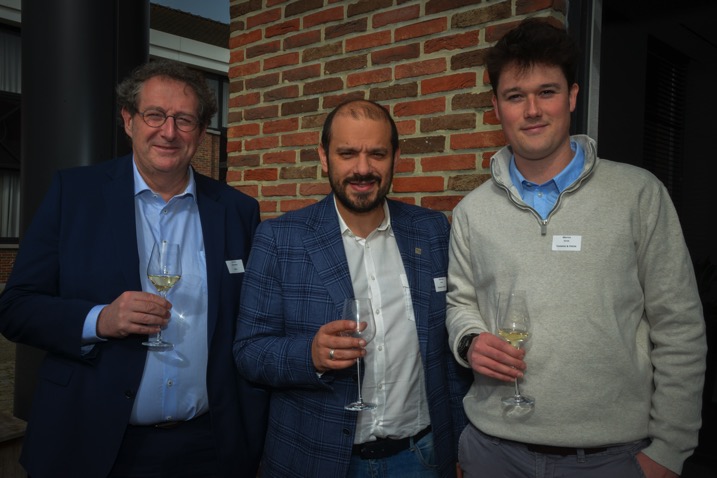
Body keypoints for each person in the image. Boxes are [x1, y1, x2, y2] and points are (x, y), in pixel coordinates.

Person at [446, 18, 707, 478]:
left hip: (612, 458)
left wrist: (669, 450)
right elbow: (460, 302)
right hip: (494, 452)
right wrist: (468, 341)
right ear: (496, 107)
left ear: (571, 96)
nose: (532, 110)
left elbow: (679, 326)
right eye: (515, 96)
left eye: (546, 92)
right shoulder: (472, 211)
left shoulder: (638, 194)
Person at [0, 60, 267, 478]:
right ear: (129, 120)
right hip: (89, 441)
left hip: (208, 447)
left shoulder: (238, 211)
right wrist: (99, 320)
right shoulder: (75, 194)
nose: (169, 132)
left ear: (200, 132)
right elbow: (15, 307)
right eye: (155, 115)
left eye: (184, 120)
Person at [234, 99, 471, 477]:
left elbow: (447, 357)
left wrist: (461, 445)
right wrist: (309, 354)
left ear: (396, 157)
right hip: (316, 459)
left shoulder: (431, 231)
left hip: (420, 456)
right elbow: (249, 351)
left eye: (377, 153)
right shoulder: (280, 238)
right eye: (347, 153)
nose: (363, 169)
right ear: (324, 157)